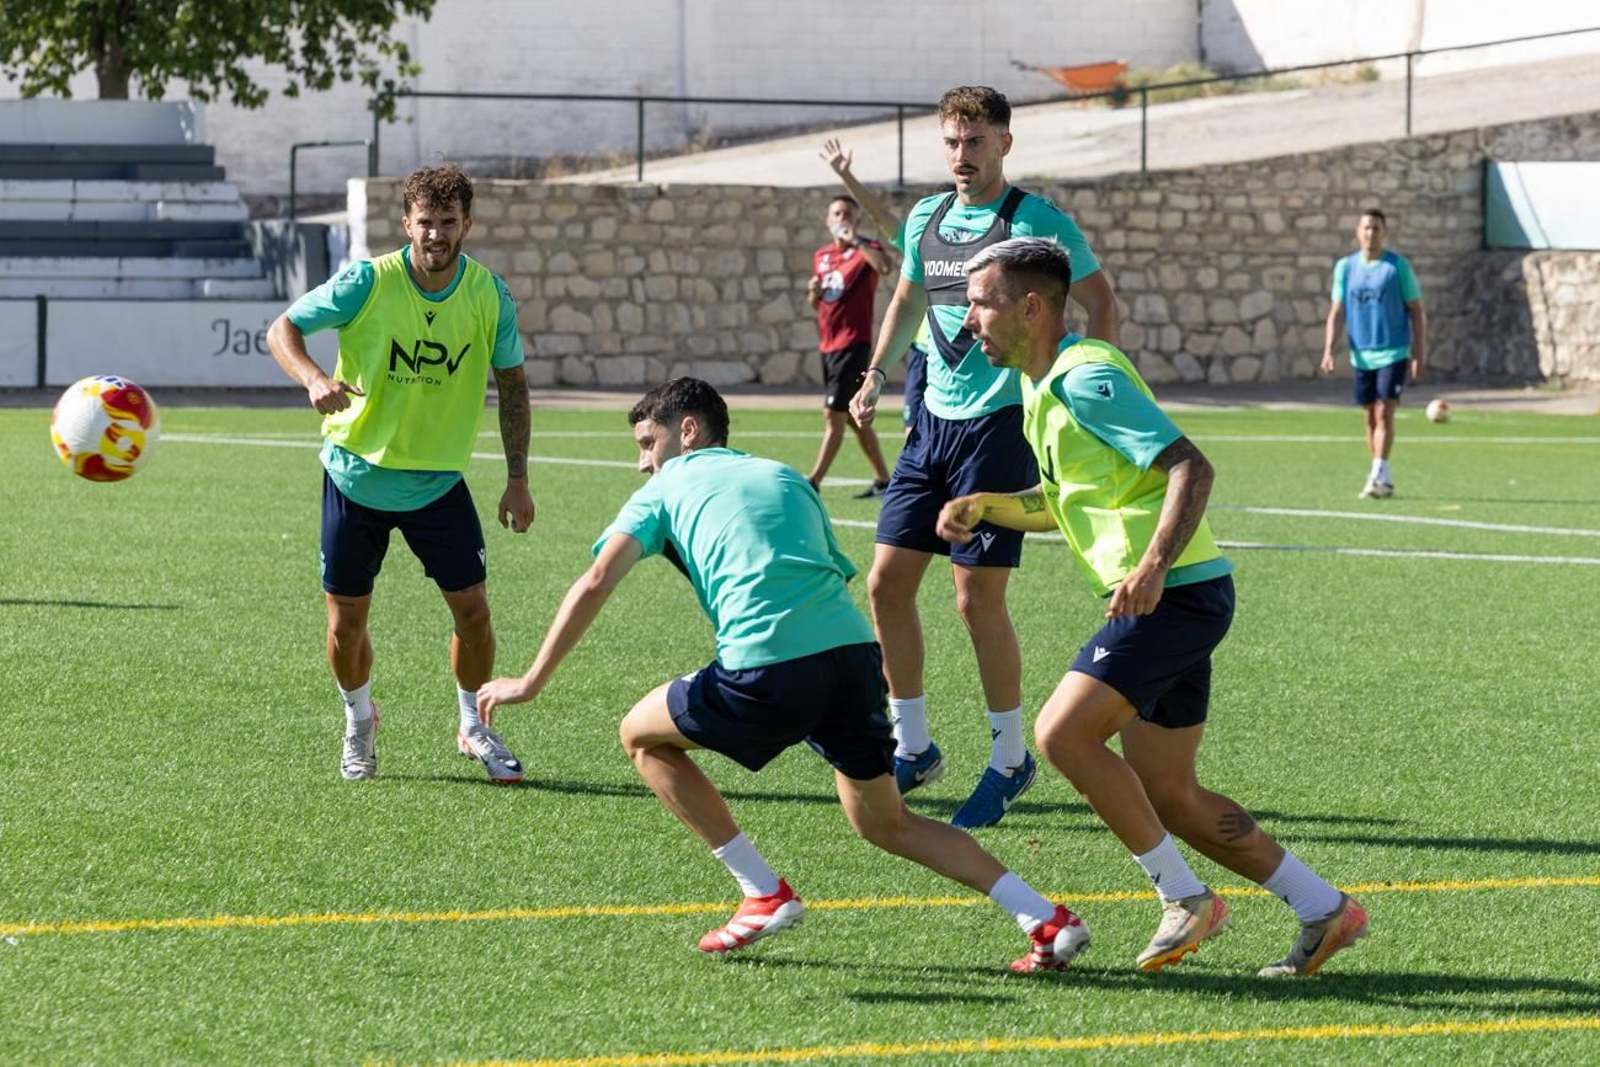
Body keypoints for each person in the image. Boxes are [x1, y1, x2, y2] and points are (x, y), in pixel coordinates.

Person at [477, 378, 1090, 972]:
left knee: (640, 734)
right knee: (885, 822)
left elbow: (595, 582)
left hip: (767, 668)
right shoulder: (786, 476)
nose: (643, 463)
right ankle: (1045, 917)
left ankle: (761, 891)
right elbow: (833, 575)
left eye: (647, 444)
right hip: (854, 659)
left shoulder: (665, 487)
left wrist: (529, 682)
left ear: (687, 432)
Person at [938, 237, 1369, 977]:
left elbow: (1189, 466)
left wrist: (1152, 567)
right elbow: (1065, 500)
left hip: (1173, 594)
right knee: (1170, 792)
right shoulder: (1042, 388)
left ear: (1031, 307)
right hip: (1179, 594)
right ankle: (1324, 907)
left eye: (981, 303)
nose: (969, 319)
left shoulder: (1085, 376)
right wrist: (987, 506)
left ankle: (1183, 896)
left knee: (1062, 734)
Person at [847, 86, 1120, 829]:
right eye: (951, 142)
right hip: (929, 426)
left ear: (1004, 142)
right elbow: (907, 301)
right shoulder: (926, 218)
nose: (961, 155)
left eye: (974, 141)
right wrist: (875, 375)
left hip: (999, 428)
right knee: (886, 583)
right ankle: (914, 746)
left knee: (975, 601)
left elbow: (1100, 300)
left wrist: (1085, 384)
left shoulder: (1036, 222)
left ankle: (1008, 758)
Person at [266, 164, 534, 784]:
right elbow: (283, 329)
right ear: (406, 224)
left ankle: (474, 726)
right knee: (345, 625)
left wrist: (517, 478)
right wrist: (314, 378)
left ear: (467, 224)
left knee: (475, 615)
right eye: (425, 222)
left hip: (437, 484)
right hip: (355, 476)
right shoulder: (367, 281)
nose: (436, 234)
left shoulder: (490, 295)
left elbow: (513, 384)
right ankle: (359, 720)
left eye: (448, 222)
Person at [819, 137, 928, 441]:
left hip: (962, 354)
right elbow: (879, 214)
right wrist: (845, 175)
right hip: (923, 353)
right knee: (913, 436)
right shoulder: (920, 242)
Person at [1321, 207, 1427, 499]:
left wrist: (1418, 353)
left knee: (1384, 412)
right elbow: (1337, 311)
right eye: (1366, 228)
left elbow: (1417, 310)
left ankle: (1377, 473)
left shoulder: (1397, 267)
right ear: (1358, 232)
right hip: (1361, 354)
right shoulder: (1345, 267)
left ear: (1384, 233)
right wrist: (1329, 349)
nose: (1371, 233)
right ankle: (1382, 475)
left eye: (1376, 228)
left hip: (1393, 351)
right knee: (1369, 417)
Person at [805, 192, 894, 496]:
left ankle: (813, 481)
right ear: (828, 220)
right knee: (854, 419)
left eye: (847, 213)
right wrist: (814, 293)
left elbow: (884, 267)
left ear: (857, 219)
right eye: (837, 214)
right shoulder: (821, 255)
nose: (842, 218)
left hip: (853, 343)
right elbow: (819, 304)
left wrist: (855, 240)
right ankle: (883, 480)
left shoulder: (866, 249)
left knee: (833, 414)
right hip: (828, 345)